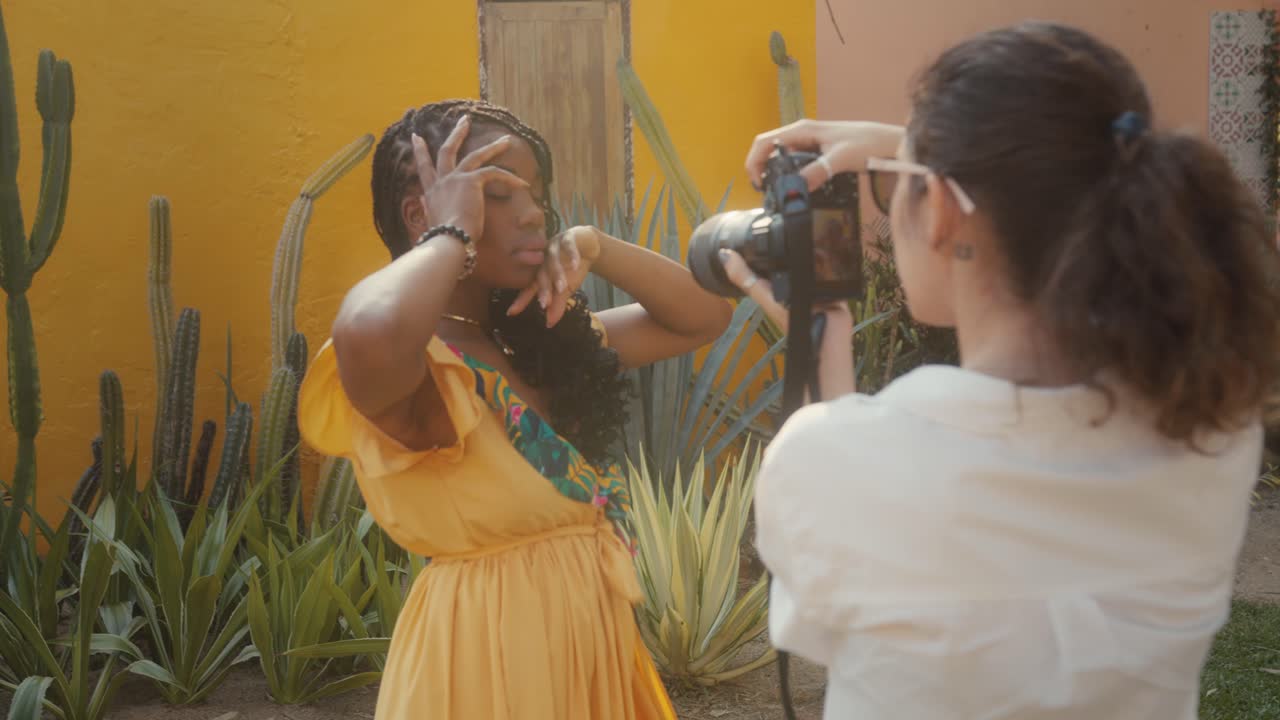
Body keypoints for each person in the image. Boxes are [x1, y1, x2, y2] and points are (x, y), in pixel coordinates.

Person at [721, 22, 1280, 720]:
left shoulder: (826, 462)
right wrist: (920, 153)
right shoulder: (1213, 433)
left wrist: (822, 352)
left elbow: (832, 615)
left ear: (947, 213)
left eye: (895, 187)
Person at [297, 99, 732, 719]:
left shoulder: (539, 346)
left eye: (539, 195)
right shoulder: (421, 368)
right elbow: (368, 325)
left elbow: (705, 315)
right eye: (499, 193)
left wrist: (595, 244)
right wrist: (450, 231)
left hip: (593, 657)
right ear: (423, 211)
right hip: (487, 666)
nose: (535, 214)